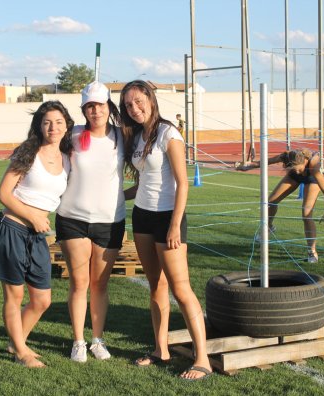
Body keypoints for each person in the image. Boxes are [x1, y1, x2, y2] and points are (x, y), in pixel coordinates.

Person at [119, 80, 212, 381]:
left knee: (181, 289)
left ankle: (202, 359)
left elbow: (183, 183)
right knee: (155, 285)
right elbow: (145, 182)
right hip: (142, 217)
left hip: (168, 219)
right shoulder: (138, 136)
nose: (134, 108)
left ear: (150, 98)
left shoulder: (168, 133)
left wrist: (174, 225)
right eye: (128, 105)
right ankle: (161, 350)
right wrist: (117, 196)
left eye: (138, 101)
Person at [0, 101, 74, 368]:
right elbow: (3, 194)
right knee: (14, 296)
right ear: (39, 125)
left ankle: (16, 342)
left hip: (37, 236)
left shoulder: (68, 159)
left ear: (66, 125)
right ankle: (21, 352)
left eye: (58, 122)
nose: (53, 127)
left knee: (42, 299)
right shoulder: (28, 153)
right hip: (11, 229)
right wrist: (33, 216)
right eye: (47, 122)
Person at [55, 81, 126, 363]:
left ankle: (97, 339)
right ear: (84, 109)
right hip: (72, 219)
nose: (95, 111)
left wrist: (125, 194)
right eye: (89, 106)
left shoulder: (123, 137)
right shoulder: (71, 135)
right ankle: (78, 342)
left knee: (100, 285)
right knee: (79, 283)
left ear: (109, 107)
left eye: (100, 105)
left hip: (110, 221)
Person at [236, 148, 324, 263]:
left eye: (297, 169)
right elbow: (266, 161)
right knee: (270, 202)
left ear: (303, 162)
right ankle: (269, 227)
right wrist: (248, 166)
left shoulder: (313, 165)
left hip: (311, 178)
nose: (297, 171)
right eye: (292, 169)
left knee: (306, 215)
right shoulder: (287, 157)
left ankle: (312, 252)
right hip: (293, 178)